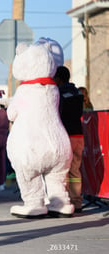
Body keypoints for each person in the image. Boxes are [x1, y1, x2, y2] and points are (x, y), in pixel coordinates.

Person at [53, 66, 84, 213]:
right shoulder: (78, 92)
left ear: (58, 78)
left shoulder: (59, 93)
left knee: (62, 170)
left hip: (66, 135)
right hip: (79, 135)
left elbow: (57, 114)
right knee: (75, 171)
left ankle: (64, 203)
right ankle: (77, 202)